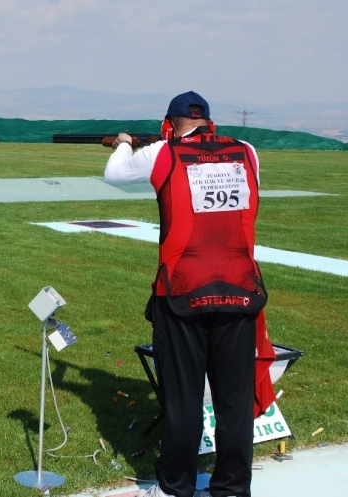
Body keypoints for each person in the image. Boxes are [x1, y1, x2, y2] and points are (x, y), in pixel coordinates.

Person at [104, 91, 270, 497]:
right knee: (233, 403)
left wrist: (125, 142)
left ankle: (175, 485)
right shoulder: (246, 151)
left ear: (173, 122)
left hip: (182, 292)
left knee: (183, 401)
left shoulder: (163, 152)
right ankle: (232, 488)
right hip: (239, 289)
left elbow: (114, 174)